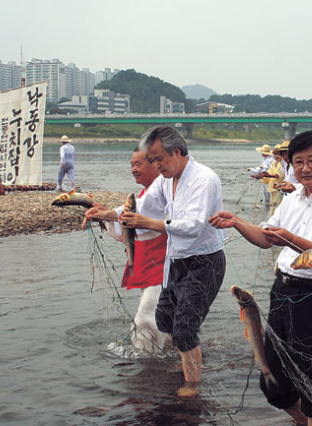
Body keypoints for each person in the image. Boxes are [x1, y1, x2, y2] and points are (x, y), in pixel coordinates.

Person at [210, 131, 312, 426]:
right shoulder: (293, 200)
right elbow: (267, 239)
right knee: (273, 380)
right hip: (282, 291)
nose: (305, 168)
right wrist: (238, 222)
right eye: (298, 162)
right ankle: (307, 422)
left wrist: (290, 239)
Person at [120, 125, 227, 397]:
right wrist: (105, 214)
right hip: (176, 260)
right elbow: (142, 208)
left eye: (159, 159)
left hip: (205, 261)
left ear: (177, 151)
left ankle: (192, 384)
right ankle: (182, 358)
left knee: (184, 327)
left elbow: (191, 226)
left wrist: (146, 223)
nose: (156, 166)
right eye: (152, 161)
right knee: (164, 319)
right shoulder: (165, 179)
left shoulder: (204, 179)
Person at [83, 148, 170, 354]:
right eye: (131, 165)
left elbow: (133, 212)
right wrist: (106, 214)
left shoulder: (162, 190)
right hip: (150, 266)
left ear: (155, 164)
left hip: (164, 268)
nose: (133, 169)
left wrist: (107, 214)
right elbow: (130, 224)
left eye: (138, 164)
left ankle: (149, 365)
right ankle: (171, 356)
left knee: (146, 318)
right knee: (163, 316)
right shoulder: (145, 193)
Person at [265, 144, 285, 215]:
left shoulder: (283, 164)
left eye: (277, 155)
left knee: (278, 206)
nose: (276, 157)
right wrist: (264, 175)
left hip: (279, 188)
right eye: (275, 155)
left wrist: (271, 175)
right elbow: (270, 172)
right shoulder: (274, 163)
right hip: (272, 188)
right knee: (272, 206)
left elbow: (281, 175)